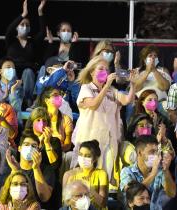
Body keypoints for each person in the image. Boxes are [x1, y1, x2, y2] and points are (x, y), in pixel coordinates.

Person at [71, 56, 137, 188]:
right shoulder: (86, 88)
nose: (105, 72)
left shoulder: (111, 91)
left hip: (109, 140)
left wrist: (133, 84)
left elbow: (126, 100)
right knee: (86, 179)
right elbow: (94, 104)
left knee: (104, 180)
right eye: (101, 69)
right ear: (91, 72)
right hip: (89, 141)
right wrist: (106, 85)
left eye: (107, 70)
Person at [5, 0, 47, 108]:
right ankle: (13, 98)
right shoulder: (11, 41)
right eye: (22, 24)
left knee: (28, 72)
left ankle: (28, 100)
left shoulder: (32, 42)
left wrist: (40, 12)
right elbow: (9, 30)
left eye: (27, 25)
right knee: (10, 70)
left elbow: (42, 32)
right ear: (17, 27)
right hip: (14, 73)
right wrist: (23, 15)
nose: (24, 26)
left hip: (28, 73)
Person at [120, 135, 175, 209]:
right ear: (139, 153)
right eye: (152, 152)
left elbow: (172, 194)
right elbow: (131, 193)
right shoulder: (127, 171)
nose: (155, 155)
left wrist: (166, 170)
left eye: (156, 152)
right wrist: (153, 174)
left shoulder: (160, 171)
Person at [6, 131, 55, 209]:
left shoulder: (47, 170)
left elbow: (45, 197)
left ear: (38, 150)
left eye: (34, 146)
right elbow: (6, 197)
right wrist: (15, 171)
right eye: (26, 144)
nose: (30, 148)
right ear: (19, 148)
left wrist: (36, 168)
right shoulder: (12, 167)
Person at [63, 140, 108, 210]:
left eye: (87, 156)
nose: (83, 158)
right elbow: (64, 202)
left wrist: (90, 190)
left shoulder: (101, 174)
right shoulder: (69, 174)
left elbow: (103, 204)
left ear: (95, 158)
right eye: (80, 154)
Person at [36, 87, 73, 152]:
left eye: (60, 94)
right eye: (55, 95)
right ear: (47, 100)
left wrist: (56, 151)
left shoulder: (66, 119)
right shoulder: (39, 119)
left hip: (59, 154)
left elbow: (68, 144)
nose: (59, 97)